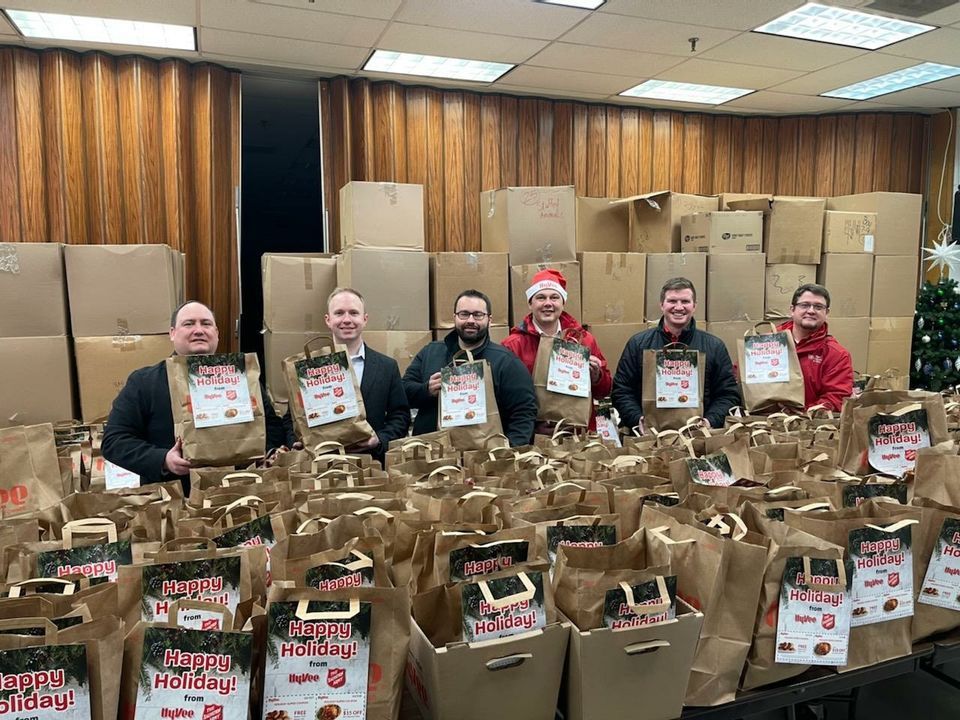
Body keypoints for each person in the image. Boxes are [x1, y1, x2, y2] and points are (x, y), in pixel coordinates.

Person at [102, 301, 287, 493]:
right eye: (189, 324)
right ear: (172, 333)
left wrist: (265, 452)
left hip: (240, 494)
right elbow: (114, 441)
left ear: (217, 333)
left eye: (206, 324)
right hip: (173, 502)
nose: (198, 330)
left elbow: (272, 427)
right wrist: (163, 460)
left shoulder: (241, 377)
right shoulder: (144, 382)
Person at [286, 288, 410, 463]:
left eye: (353, 313)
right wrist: (297, 442)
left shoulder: (386, 367)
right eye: (339, 313)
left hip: (371, 465)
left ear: (364, 319)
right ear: (328, 320)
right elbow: (290, 419)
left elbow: (400, 417)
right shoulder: (307, 369)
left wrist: (378, 440)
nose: (346, 320)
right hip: (319, 466)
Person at [403, 289, 537, 447]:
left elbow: (524, 412)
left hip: (483, 460)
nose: (471, 320)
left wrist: (509, 453)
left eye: (478, 315)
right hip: (432, 456)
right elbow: (403, 391)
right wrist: (426, 390)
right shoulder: (431, 352)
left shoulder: (506, 362)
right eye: (464, 314)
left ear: (489, 320)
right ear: (455, 318)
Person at [612, 277, 741, 430]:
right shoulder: (638, 344)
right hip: (648, 438)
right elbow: (621, 390)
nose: (679, 307)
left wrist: (709, 421)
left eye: (685, 301)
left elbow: (728, 394)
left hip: (699, 437)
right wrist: (637, 419)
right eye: (672, 301)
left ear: (694, 306)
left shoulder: (714, 346)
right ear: (661, 305)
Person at [501, 268, 612, 430]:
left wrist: (597, 377)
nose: (548, 303)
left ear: (562, 303)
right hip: (533, 435)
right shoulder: (512, 345)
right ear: (530, 303)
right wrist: (532, 428)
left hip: (579, 432)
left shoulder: (585, 340)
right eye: (540, 297)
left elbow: (605, 392)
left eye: (554, 297)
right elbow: (505, 400)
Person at [777, 283, 853, 412]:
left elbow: (836, 397)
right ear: (792, 310)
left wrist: (800, 415)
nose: (811, 311)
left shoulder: (837, 355)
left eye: (818, 307)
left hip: (808, 426)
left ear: (826, 313)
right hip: (760, 423)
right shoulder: (766, 343)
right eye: (804, 305)